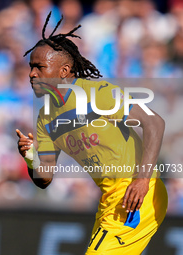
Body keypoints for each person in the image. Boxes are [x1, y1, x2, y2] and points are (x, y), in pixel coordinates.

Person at [16, 12, 168, 254]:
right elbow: (44, 177)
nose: (32, 74)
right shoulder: (46, 117)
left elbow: (154, 123)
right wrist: (29, 156)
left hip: (136, 196)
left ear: (64, 70)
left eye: (39, 67)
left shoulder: (97, 94)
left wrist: (141, 180)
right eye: (31, 68)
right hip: (111, 201)